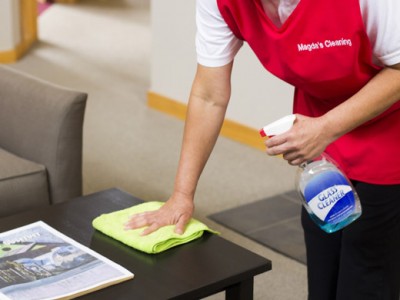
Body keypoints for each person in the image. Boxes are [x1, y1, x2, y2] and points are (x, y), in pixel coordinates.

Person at [125, 0, 400, 299]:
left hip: (389, 132)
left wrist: (325, 128)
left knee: (368, 267)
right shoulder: (220, 3)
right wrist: (181, 195)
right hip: (319, 138)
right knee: (323, 261)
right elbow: (208, 95)